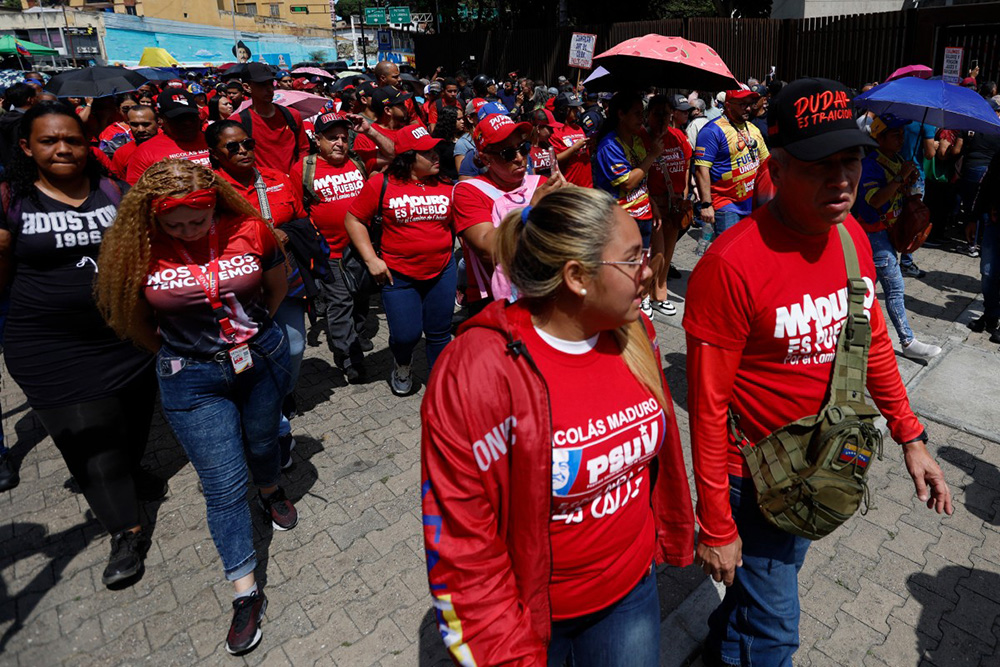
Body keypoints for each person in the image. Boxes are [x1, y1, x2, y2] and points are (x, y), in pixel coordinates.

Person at [684, 79, 952, 667]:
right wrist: (716, 523)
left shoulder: (851, 236)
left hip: (820, 467)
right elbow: (706, 406)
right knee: (777, 633)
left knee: (757, 596)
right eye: (818, 165)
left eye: (850, 159)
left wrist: (912, 437)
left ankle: (722, 650)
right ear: (776, 170)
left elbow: (874, 344)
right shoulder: (729, 267)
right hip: (752, 480)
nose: (841, 179)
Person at [421, 186, 695, 665]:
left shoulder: (634, 332)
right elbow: (464, 548)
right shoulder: (478, 370)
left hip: (631, 592)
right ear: (577, 277)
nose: (649, 271)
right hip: (530, 614)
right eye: (633, 259)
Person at [95, 159, 296, 655]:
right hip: (192, 376)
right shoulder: (138, 250)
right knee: (223, 484)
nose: (186, 231)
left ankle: (270, 488)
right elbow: (137, 321)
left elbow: (277, 286)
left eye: (198, 220)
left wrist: (256, 333)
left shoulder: (251, 229)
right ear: (153, 217)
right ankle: (245, 592)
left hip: (259, 359)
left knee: (264, 441)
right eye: (174, 224)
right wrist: (182, 351)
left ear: (215, 205)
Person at [0, 102, 158, 589]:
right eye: (49, 141)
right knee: (93, 443)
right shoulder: (12, 200)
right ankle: (126, 531)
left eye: (72, 139)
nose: (63, 148)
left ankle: (128, 481)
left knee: (132, 429)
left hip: (126, 338)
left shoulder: (115, 191)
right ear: (27, 147)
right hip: (51, 347)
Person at [206, 119, 310, 466]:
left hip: (285, 277)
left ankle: (282, 393)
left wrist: (286, 235)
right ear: (214, 154)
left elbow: (300, 219)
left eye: (246, 143)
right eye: (231, 147)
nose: (242, 151)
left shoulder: (278, 179)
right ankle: (265, 418)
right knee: (251, 358)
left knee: (294, 345)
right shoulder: (211, 190)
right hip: (240, 289)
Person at [344, 124, 457, 396]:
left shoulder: (446, 184)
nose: (435, 156)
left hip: (442, 270)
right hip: (398, 275)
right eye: (426, 152)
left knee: (440, 333)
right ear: (407, 157)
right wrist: (372, 259)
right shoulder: (380, 183)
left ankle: (442, 386)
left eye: (435, 150)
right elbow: (354, 219)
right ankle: (402, 363)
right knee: (406, 335)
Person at [292, 112, 373, 383]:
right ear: (317, 140)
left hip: (362, 250)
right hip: (329, 253)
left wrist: (370, 131)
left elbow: (394, 153)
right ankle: (349, 356)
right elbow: (297, 211)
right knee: (341, 302)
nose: (339, 142)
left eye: (343, 137)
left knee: (361, 296)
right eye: (332, 138)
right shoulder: (303, 169)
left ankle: (357, 332)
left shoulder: (357, 163)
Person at [453, 113, 564, 312]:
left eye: (523, 148)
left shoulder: (540, 184)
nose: (520, 158)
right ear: (485, 158)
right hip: (493, 300)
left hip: (544, 290)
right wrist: (531, 210)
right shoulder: (468, 191)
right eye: (507, 154)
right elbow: (488, 249)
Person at [853, 114, 942, 361]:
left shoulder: (899, 159)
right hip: (875, 234)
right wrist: (900, 178)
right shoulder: (870, 164)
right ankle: (907, 340)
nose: (901, 138)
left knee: (866, 288)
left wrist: (908, 181)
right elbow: (874, 200)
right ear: (878, 138)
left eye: (902, 134)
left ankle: (844, 332)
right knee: (895, 287)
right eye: (895, 134)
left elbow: (897, 193)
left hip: (890, 233)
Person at [593, 91, 665, 319]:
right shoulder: (609, 145)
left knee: (641, 264)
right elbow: (628, 181)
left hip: (643, 216)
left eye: (642, 113)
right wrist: (652, 155)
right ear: (620, 114)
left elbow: (641, 180)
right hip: (621, 220)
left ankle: (639, 300)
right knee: (622, 269)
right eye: (636, 114)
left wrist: (651, 202)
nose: (641, 119)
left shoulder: (636, 139)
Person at [694, 88, 770, 239]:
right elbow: (701, 170)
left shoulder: (753, 128)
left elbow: (766, 163)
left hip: (752, 203)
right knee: (730, 252)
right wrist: (706, 205)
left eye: (750, 103)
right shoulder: (712, 131)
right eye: (742, 104)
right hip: (727, 207)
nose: (748, 108)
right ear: (728, 105)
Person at [645, 95, 693, 317]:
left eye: (667, 113)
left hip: (675, 204)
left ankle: (659, 295)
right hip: (653, 203)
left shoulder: (678, 136)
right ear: (649, 115)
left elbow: (686, 164)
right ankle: (644, 294)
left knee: (669, 252)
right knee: (657, 252)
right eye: (658, 113)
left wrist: (683, 195)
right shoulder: (641, 138)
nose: (663, 118)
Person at [234, 63, 310, 174]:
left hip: (294, 183)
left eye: (270, 83)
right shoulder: (238, 122)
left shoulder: (292, 115)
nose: (269, 89)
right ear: (247, 87)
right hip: (263, 186)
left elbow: (304, 149)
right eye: (262, 85)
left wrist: (298, 173)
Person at [127, 90, 210, 185]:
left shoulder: (214, 141)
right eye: (179, 119)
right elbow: (136, 195)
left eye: (191, 117)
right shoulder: (145, 152)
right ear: (161, 119)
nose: (187, 123)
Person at [352, 85, 410, 173]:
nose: (406, 107)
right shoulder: (364, 138)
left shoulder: (408, 131)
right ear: (387, 110)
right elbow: (365, 171)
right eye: (400, 104)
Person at [550, 92, 592, 188]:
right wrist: (574, 148)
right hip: (569, 187)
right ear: (563, 110)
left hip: (587, 184)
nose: (577, 110)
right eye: (573, 108)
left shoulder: (578, 128)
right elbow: (554, 160)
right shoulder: (555, 131)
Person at [110, 104, 159, 181]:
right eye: (134, 125)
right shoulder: (121, 153)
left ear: (158, 122)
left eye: (146, 124)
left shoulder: (172, 145)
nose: (140, 129)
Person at [431, 105, 462, 181]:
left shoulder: (464, 137)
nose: (462, 121)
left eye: (462, 118)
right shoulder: (439, 143)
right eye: (459, 119)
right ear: (450, 120)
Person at [528, 108, 557, 177]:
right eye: (550, 129)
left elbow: (557, 171)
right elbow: (531, 178)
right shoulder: (526, 149)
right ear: (538, 128)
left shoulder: (548, 146)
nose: (553, 132)